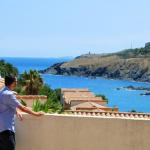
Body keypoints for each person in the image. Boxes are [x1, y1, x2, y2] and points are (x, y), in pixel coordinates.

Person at [0, 75, 44, 150]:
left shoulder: (2, 92)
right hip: (7, 129)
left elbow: (7, 105)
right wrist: (36, 114)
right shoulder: (9, 94)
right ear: (13, 83)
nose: (17, 83)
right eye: (16, 81)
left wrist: (16, 111)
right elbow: (22, 108)